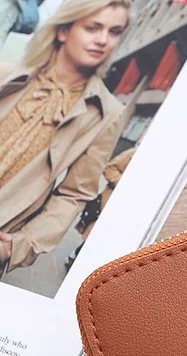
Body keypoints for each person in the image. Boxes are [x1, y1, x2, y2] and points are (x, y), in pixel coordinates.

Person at [0, 0, 130, 277]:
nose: (103, 40)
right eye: (92, 28)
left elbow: (74, 194)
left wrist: (18, 245)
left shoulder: (107, 112)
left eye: (114, 31)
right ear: (63, 31)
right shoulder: (6, 74)